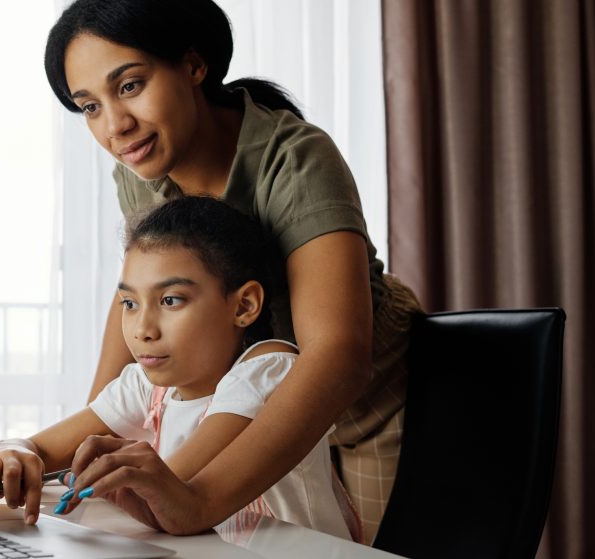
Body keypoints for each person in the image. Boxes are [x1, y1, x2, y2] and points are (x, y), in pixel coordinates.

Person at [41, 0, 423, 543]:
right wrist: (82, 453)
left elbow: (336, 356)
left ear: (194, 65)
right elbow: (140, 291)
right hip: (247, 403)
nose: (115, 126)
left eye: (129, 86)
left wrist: (196, 500)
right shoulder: (139, 166)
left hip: (367, 405)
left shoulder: (295, 158)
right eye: (89, 107)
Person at [0, 196, 353, 540]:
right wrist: (9, 453)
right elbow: (40, 447)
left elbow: (171, 490)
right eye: (130, 303)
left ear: (244, 306)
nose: (142, 330)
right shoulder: (147, 387)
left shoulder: (269, 370)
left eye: (170, 300)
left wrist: (91, 474)